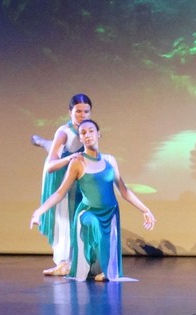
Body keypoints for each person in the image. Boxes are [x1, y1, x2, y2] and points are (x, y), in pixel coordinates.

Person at [29, 119, 155, 281]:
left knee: (105, 243)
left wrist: (145, 210)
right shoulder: (77, 162)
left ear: (98, 134)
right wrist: (38, 212)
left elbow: (124, 191)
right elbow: (60, 193)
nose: (87, 135)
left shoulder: (110, 160)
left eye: (90, 131)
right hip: (87, 212)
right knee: (93, 223)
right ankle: (87, 267)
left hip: (110, 213)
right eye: (83, 133)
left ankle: (100, 270)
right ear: (80, 139)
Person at [35, 94, 92, 276]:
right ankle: (63, 262)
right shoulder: (63, 132)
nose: (82, 115)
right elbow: (51, 165)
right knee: (64, 221)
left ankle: (43, 142)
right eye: (78, 111)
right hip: (61, 178)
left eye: (86, 111)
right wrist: (69, 158)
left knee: (78, 220)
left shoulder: (89, 130)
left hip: (79, 180)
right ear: (70, 112)